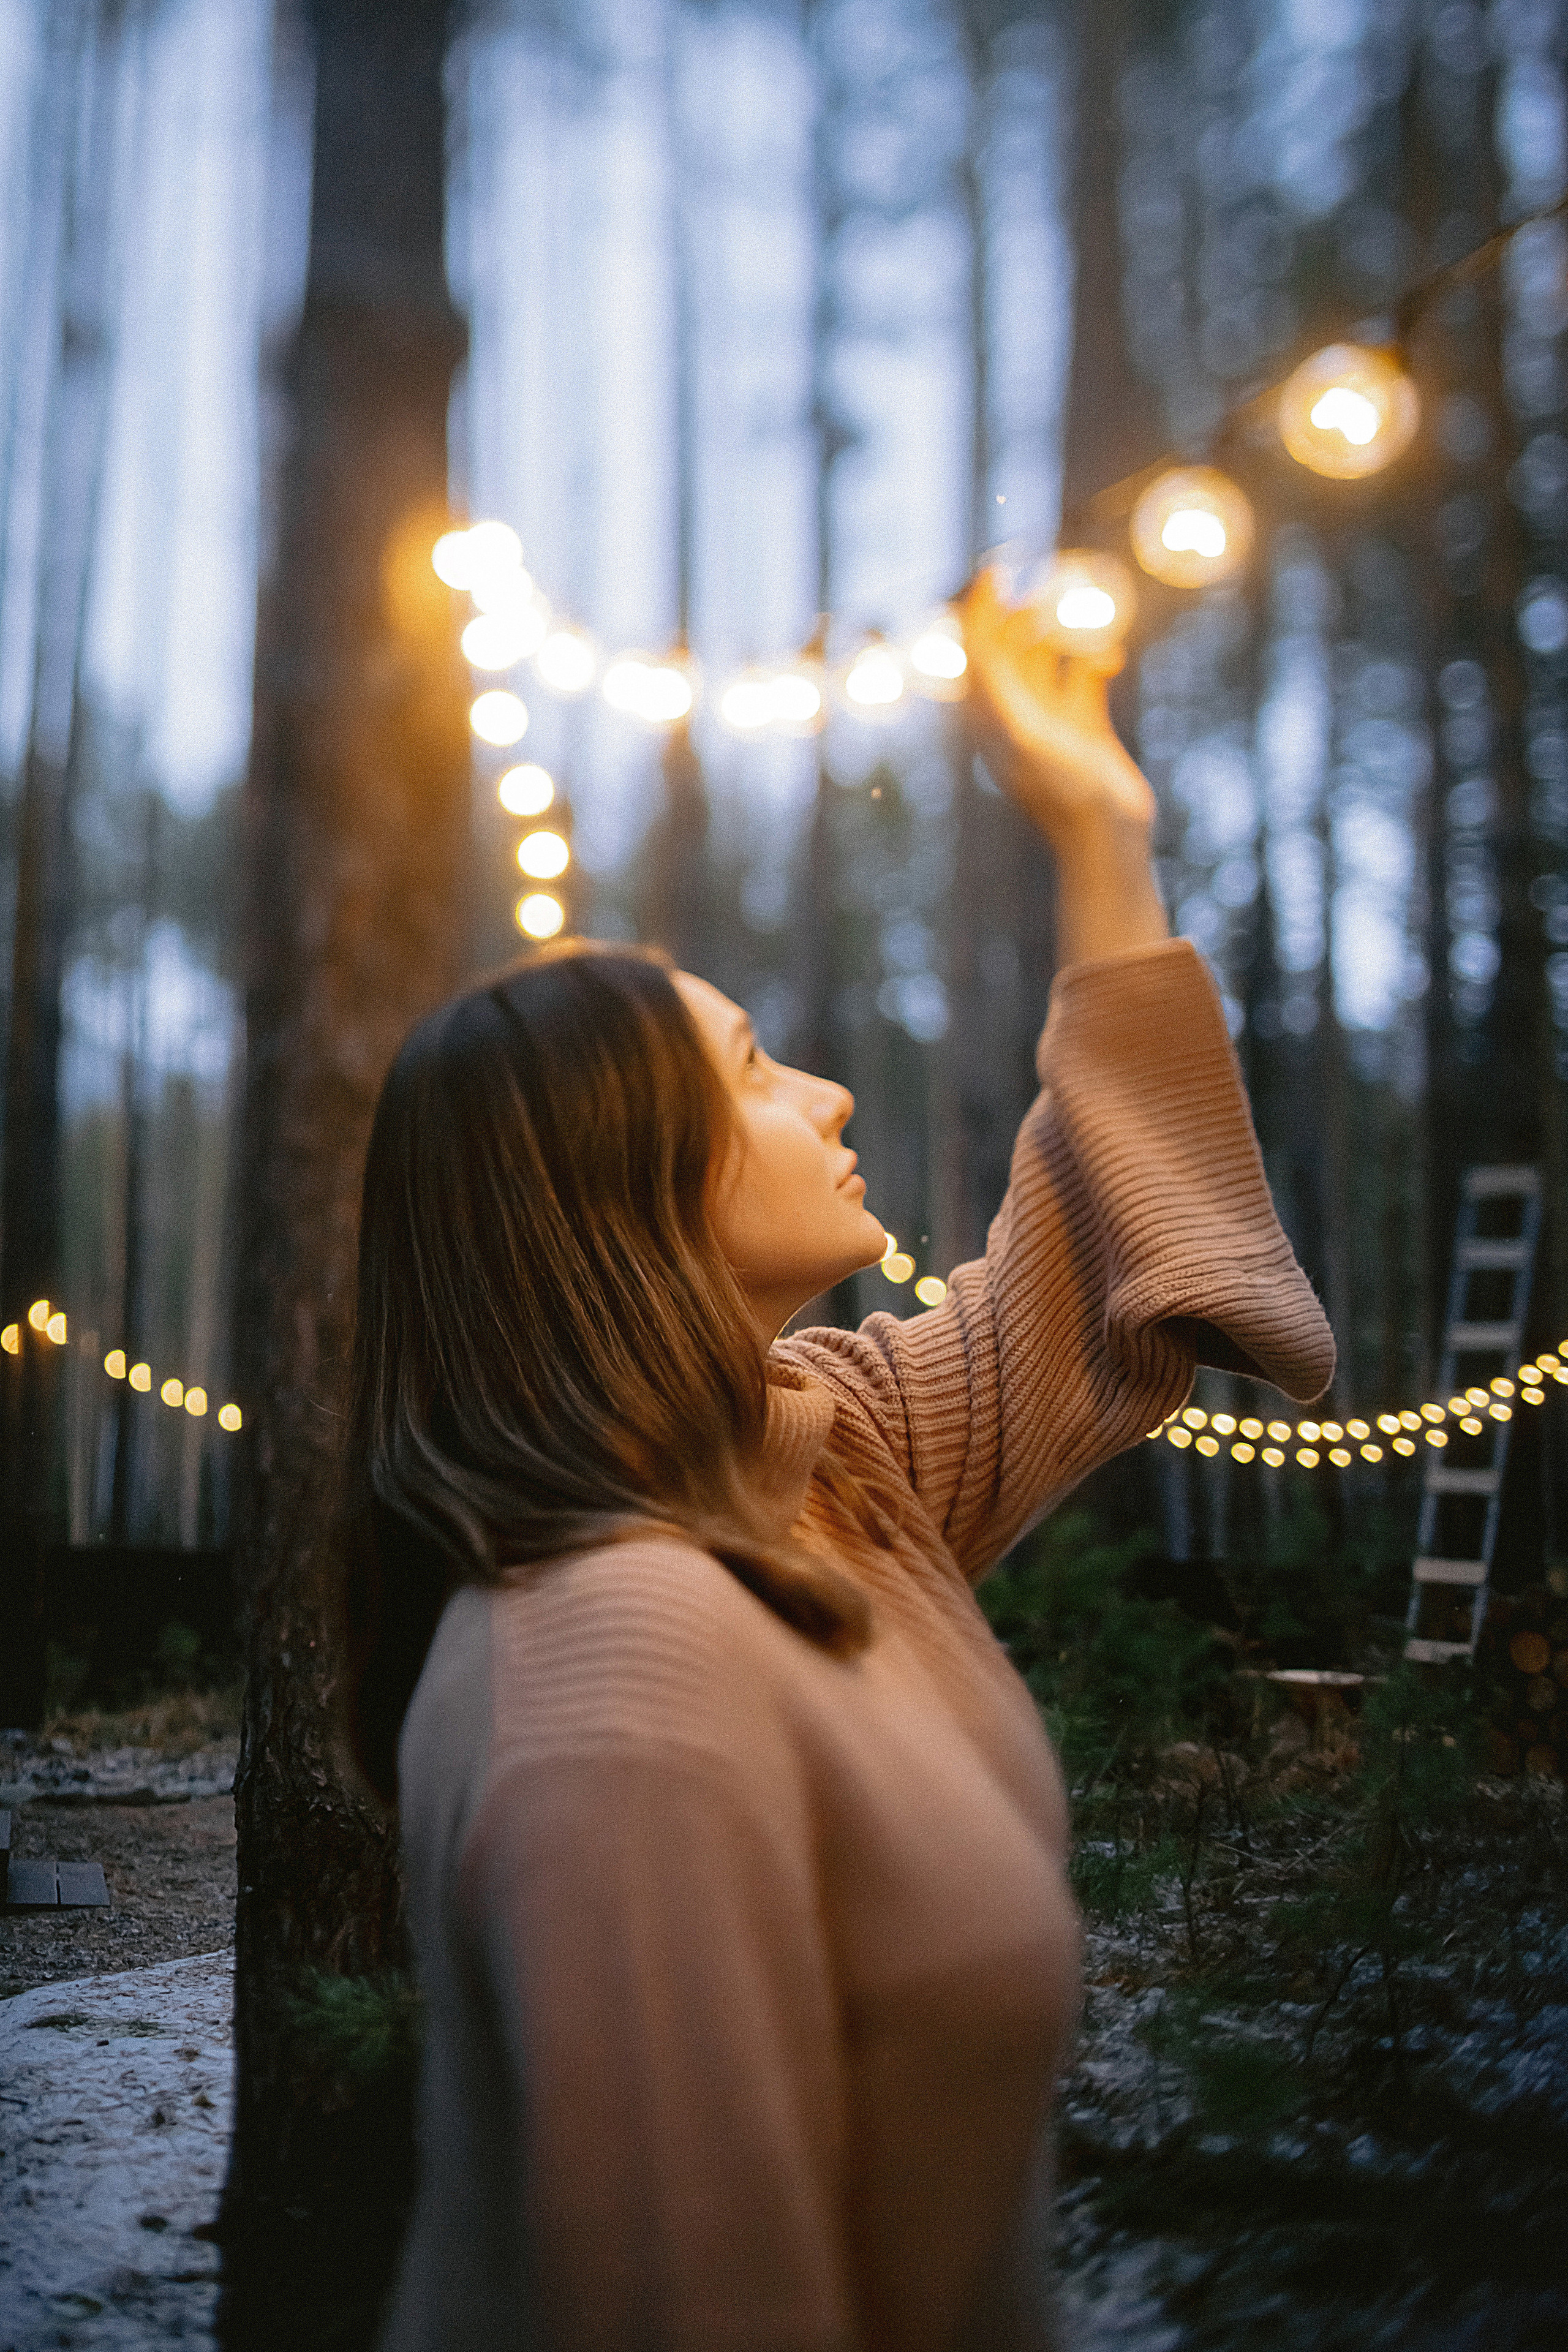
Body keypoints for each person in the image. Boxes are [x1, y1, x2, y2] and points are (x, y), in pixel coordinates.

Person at [347, 571, 1334, 2352]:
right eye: (752, 1067)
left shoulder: (822, 1465)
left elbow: (1087, 1283)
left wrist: (1101, 831)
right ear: (618, 1194)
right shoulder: (622, 1669)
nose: (831, 1095)